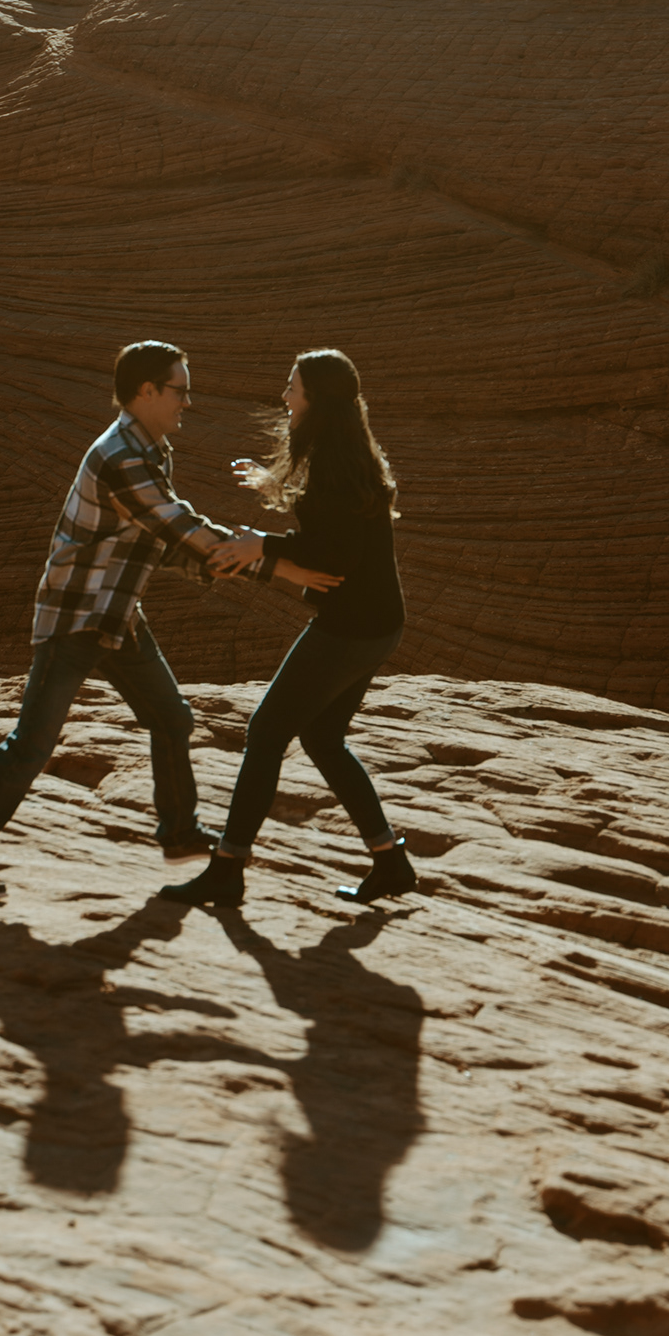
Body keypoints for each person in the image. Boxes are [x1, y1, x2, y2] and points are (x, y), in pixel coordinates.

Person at [0, 341, 320, 903]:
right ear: (146, 392)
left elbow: (170, 543)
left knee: (171, 718)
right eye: (179, 390)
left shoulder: (148, 450)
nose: (188, 400)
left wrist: (261, 567)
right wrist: (276, 567)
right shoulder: (123, 457)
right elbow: (182, 529)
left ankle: (179, 833)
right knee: (32, 745)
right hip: (78, 616)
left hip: (116, 613)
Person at [161, 347, 413, 912]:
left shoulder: (333, 461)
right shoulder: (345, 450)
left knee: (266, 731)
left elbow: (334, 552)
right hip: (375, 620)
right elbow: (331, 520)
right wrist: (271, 484)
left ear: (315, 398)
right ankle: (390, 860)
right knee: (322, 738)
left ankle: (228, 869)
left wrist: (262, 545)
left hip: (352, 625)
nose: (284, 396)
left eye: (292, 387)